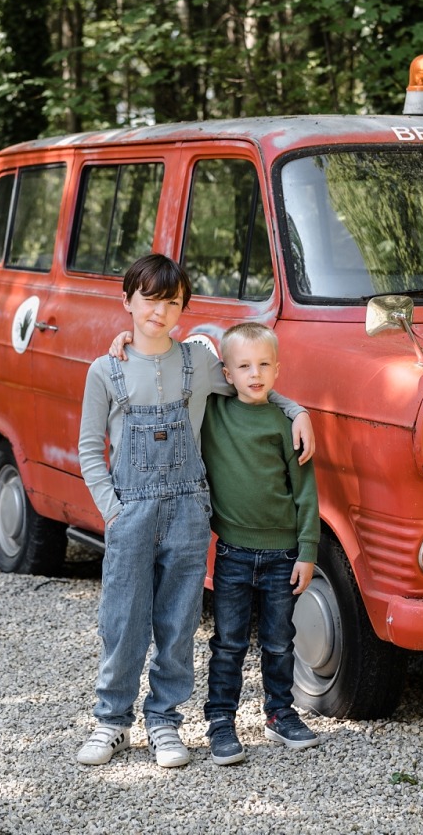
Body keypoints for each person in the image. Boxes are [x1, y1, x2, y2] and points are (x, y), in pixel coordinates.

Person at [74, 254, 314, 769]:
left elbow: (254, 385)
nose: (158, 312)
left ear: (182, 309)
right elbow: (90, 448)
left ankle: (164, 722)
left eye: (171, 302)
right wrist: (113, 512)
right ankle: (112, 722)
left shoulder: (198, 363)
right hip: (131, 512)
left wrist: (297, 411)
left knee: (178, 622)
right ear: (128, 301)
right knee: (123, 621)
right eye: (149, 300)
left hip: (186, 512)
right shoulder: (106, 369)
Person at [200, 321, 321, 765]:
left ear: (277, 369)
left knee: (278, 642)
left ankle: (279, 714)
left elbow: (306, 494)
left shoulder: (285, 423)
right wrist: (123, 339)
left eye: (265, 364)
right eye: (244, 366)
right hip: (232, 552)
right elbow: (179, 356)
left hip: (282, 555)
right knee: (228, 642)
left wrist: (307, 552)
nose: (255, 374)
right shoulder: (213, 411)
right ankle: (220, 721)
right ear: (226, 373)